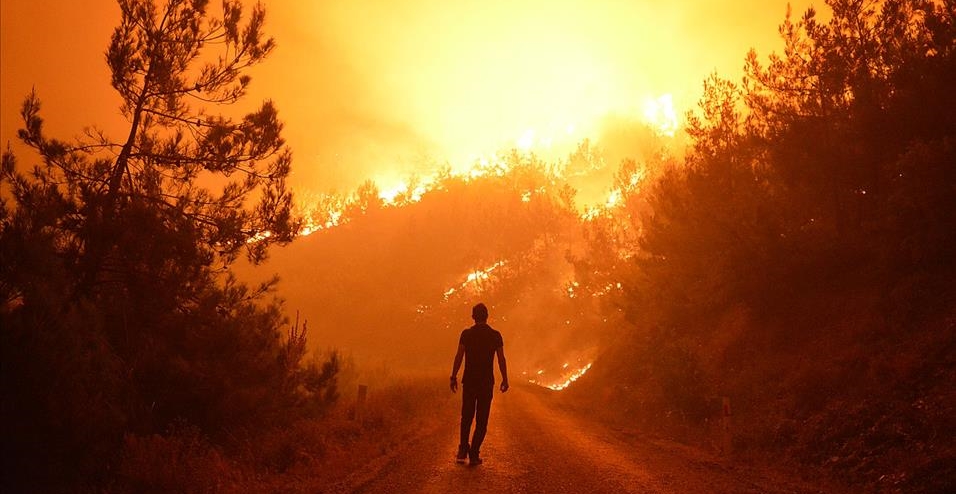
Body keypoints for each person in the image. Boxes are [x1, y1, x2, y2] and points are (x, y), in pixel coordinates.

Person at [450, 302, 509, 465]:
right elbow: (501, 359)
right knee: (482, 420)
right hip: (486, 383)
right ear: (487, 316)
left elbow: (459, 356)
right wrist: (505, 378)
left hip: (469, 382)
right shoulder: (495, 335)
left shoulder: (466, 334)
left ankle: (462, 450)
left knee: (467, 417)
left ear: (473, 317)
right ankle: (474, 453)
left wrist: (453, 376)